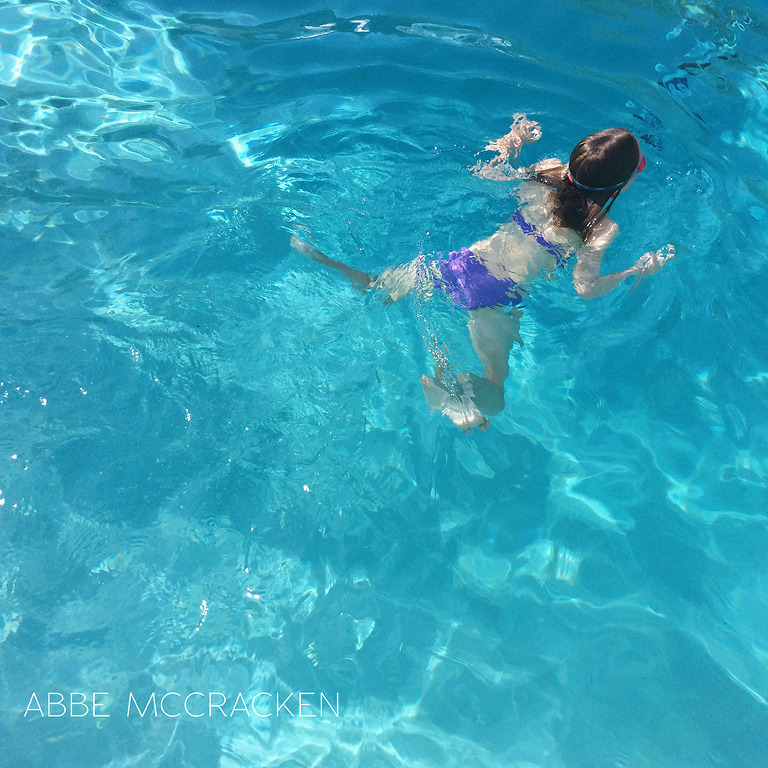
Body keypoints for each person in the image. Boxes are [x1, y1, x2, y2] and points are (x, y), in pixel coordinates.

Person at [290, 115, 674, 433]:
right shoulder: (601, 229)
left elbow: (491, 174)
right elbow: (585, 288)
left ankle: (325, 260)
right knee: (495, 385)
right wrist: (637, 270)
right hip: (497, 296)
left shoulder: (545, 172)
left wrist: (514, 139)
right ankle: (459, 408)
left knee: (377, 284)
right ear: (623, 182)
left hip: (463, 264)